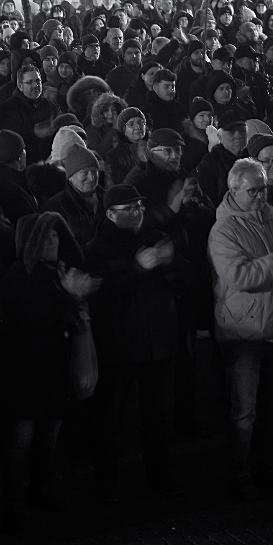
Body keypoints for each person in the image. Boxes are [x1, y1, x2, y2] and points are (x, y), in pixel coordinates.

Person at [208, 158, 273, 500]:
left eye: (263, 189)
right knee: (244, 412)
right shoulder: (223, 230)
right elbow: (240, 277)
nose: (259, 196)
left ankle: (272, 467)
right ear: (234, 191)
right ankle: (239, 474)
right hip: (245, 335)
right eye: (252, 191)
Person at [83, 182, 186, 501]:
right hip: (119, 346)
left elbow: (185, 281)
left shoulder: (157, 238)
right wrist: (139, 268)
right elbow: (102, 293)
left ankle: (159, 472)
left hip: (159, 342)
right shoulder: (97, 248)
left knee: (157, 415)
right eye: (130, 210)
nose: (138, 214)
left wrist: (169, 269)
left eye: (140, 208)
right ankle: (107, 479)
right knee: (110, 417)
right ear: (111, 214)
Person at [0, 212, 97, 531]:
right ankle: (13, 501)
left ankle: (41, 489)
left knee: (49, 435)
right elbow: (33, 318)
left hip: (53, 369)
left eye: (57, 236)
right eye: (47, 237)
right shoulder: (17, 276)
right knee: (22, 439)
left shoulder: (59, 271)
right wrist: (68, 298)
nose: (54, 241)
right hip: (26, 371)